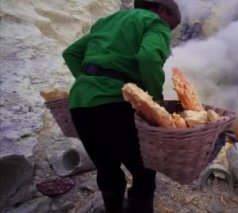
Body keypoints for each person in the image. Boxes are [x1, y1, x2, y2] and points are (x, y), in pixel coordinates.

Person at [62, 0, 181, 212]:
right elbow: (149, 57)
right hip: (116, 105)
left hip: (80, 104)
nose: (169, 30)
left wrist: (90, 81)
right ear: (162, 10)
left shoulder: (107, 22)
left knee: (107, 169)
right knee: (144, 171)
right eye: (171, 25)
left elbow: (71, 53)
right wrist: (154, 101)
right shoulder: (155, 23)